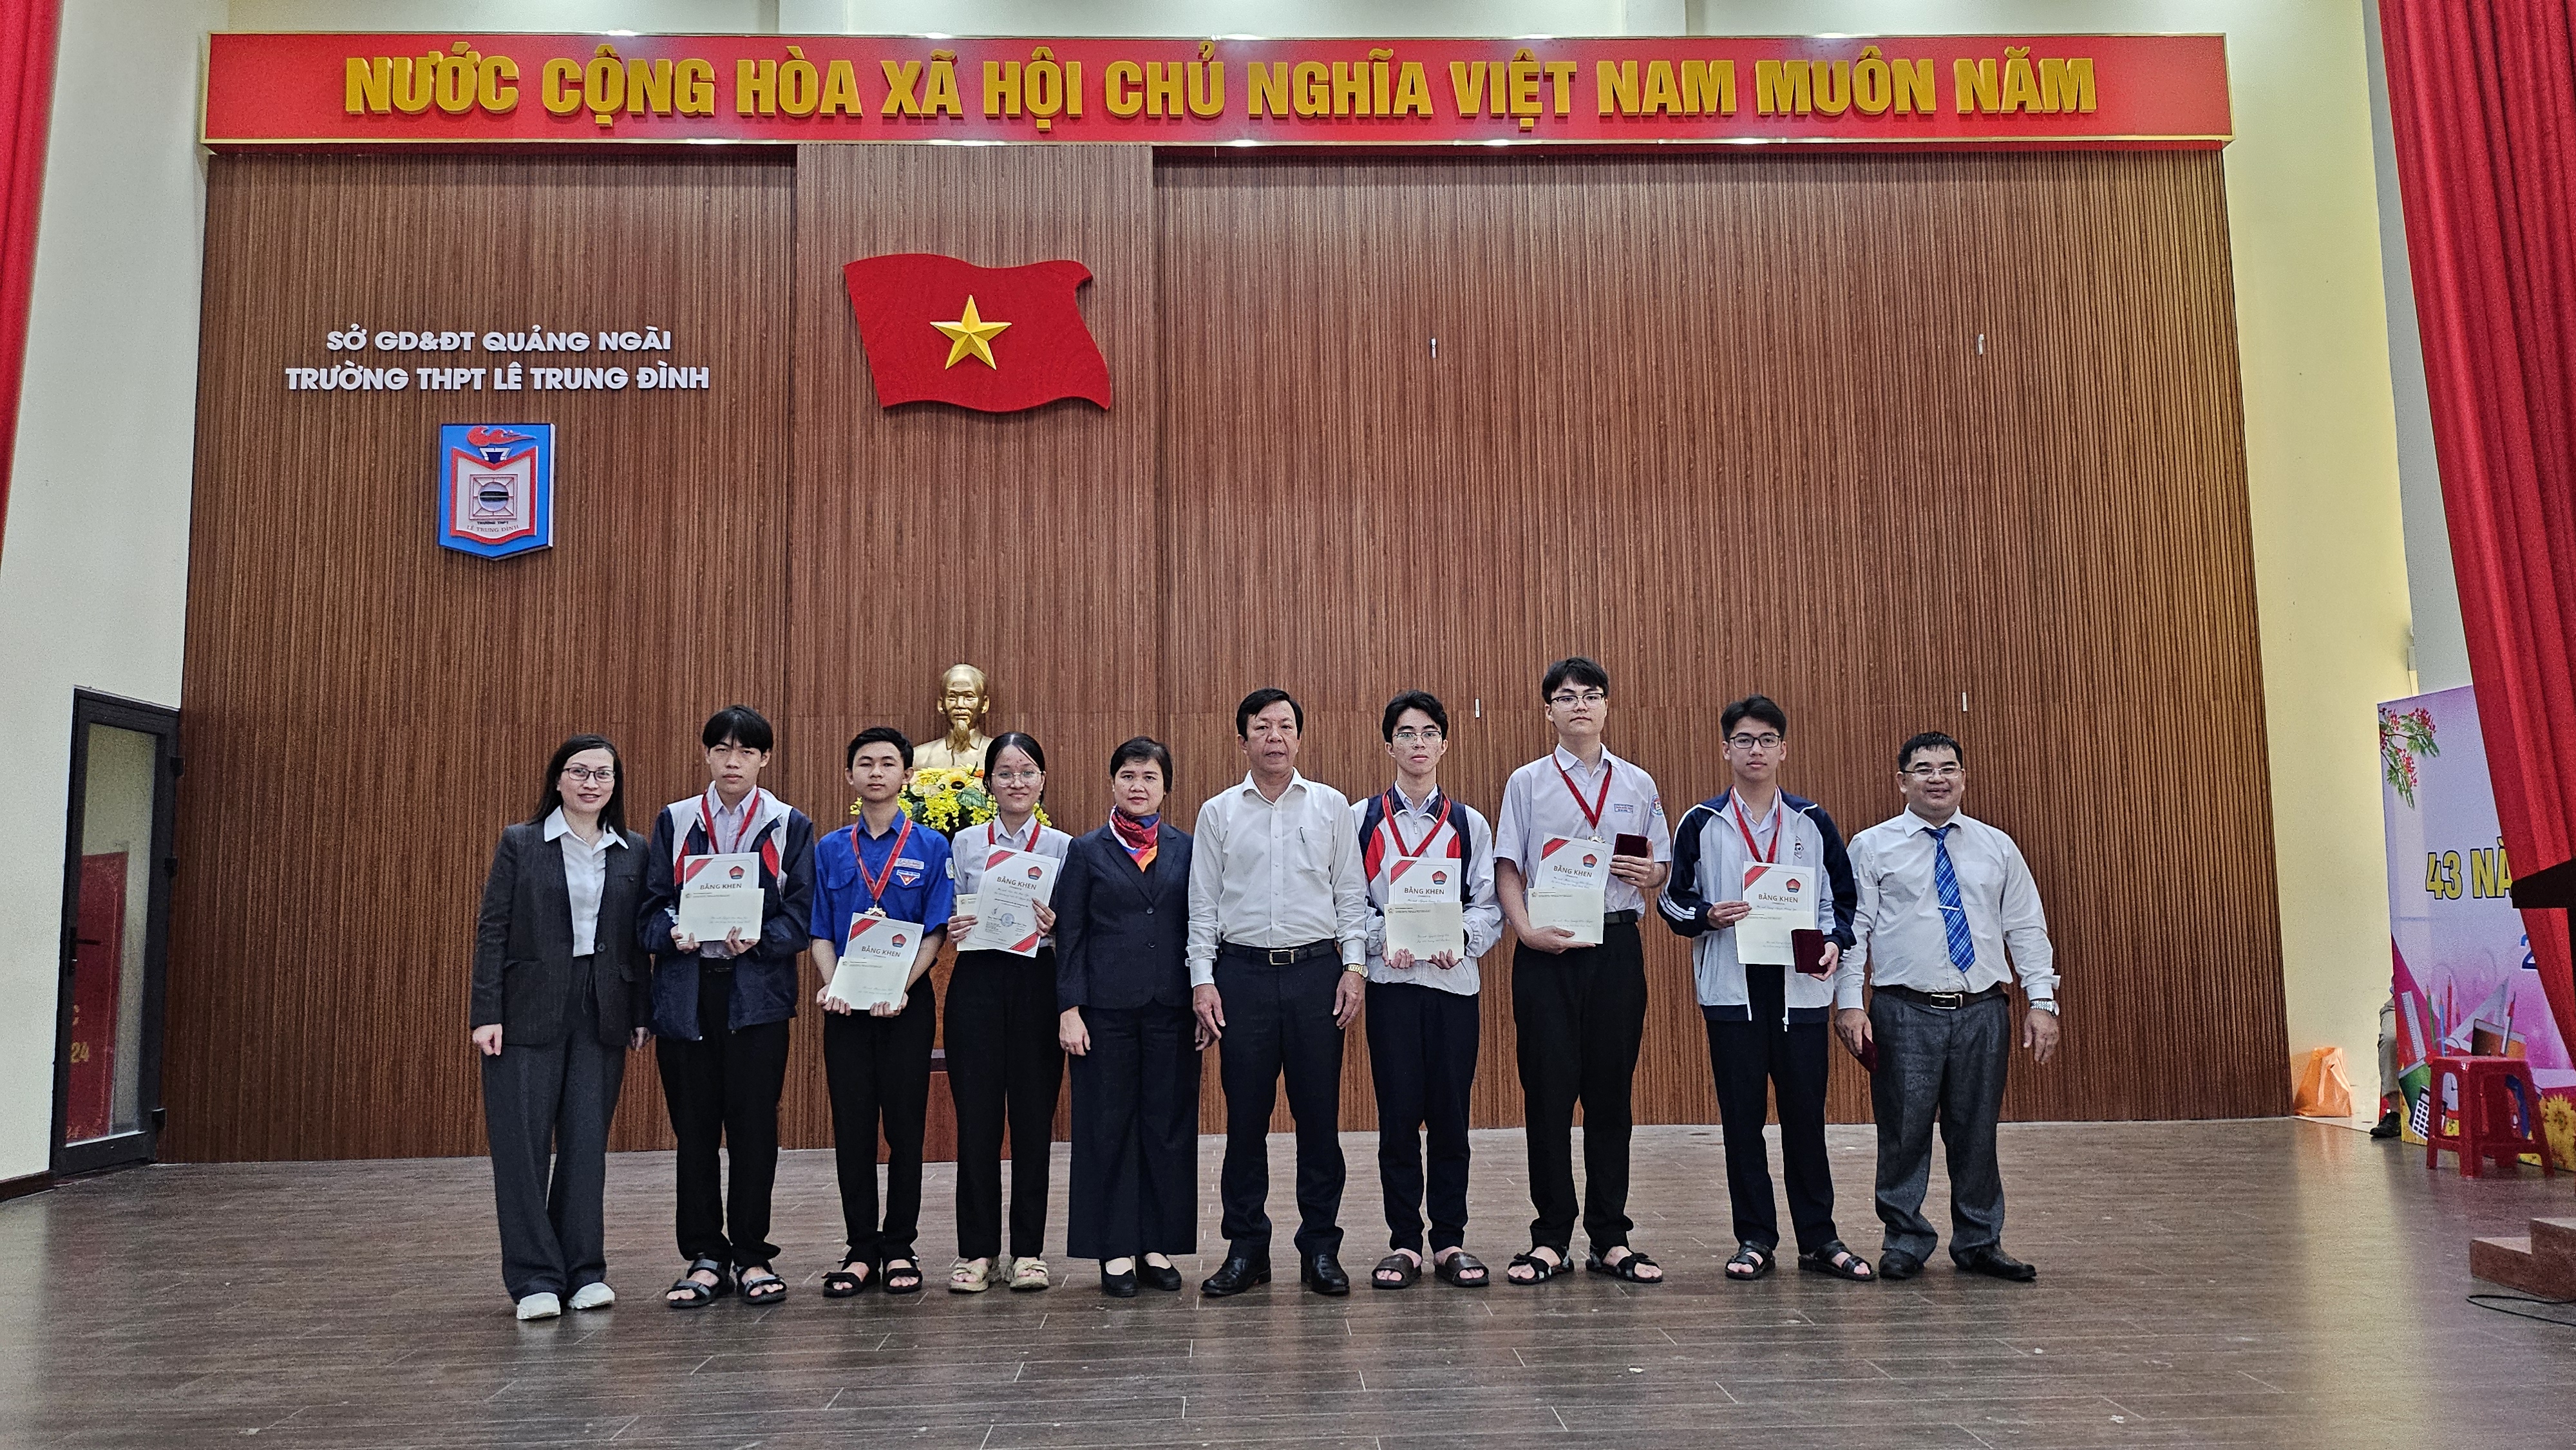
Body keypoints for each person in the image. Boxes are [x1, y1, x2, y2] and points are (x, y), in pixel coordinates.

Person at [1658, 695, 1871, 1284]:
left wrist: (1834, 942)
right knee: (1742, 1122)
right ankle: (1754, 1237)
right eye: (1745, 740)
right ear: (1726, 749)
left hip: (1801, 993)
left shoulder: (1812, 821)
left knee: (1806, 1120)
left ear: (1783, 750)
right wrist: (1707, 915)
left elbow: (1843, 902)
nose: (1756, 750)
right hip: (1733, 995)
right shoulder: (1701, 821)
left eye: (1767, 740)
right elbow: (1672, 901)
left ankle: (1820, 1238)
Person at [1837, 731, 2061, 1283]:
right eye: (1923, 769)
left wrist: (2042, 1001)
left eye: (1948, 768)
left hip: (1983, 1009)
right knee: (1903, 1131)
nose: (1937, 778)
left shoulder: (1997, 846)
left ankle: (1980, 1240)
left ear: (1963, 777)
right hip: (1903, 1010)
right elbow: (1853, 932)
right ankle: (1905, 1240)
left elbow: (2026, 928)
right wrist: (1849, 1003)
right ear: (1902, 781)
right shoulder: (1871, 847)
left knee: (1976, 1130)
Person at [1492, 656, 1672, 1286]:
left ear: (1605, 706)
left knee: (1610, 1095)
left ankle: (1611, 1236)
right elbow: (1508, 866)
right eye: (1566, 697)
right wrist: (1524, 931)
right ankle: (1549, 1237)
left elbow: (1660, 866)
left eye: (1591, 695)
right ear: (1549, 711)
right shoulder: (1527, 782)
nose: (1579, 706)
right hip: (1547, 951)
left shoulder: (1638, 783)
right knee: (1546, 1095)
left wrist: (1652, 873)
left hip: (1616, 949)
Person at [1188, 688, 1372, 1298]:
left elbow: (1350, 896)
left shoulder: (1331, 806)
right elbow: (1202, 906)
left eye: (1286, 726)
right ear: (1243, 739)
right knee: (1245, 1121)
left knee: (1318, 1119)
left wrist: (1354, 968)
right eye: (1262, 727)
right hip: (1240, 978)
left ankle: (1321, 1248)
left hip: (1316, 974)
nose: (1275, 736)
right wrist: (1202, 979)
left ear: (1299, 736)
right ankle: (1247, 1249)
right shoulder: (1218, 812)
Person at [638, 705, 815, 1310]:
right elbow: (649, 908)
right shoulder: (676, 820)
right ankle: (705, 1256)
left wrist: (761, 939)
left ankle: (753, 1254)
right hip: (688, 995)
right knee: (693, 1131)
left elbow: (802, 916)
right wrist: (672, 933)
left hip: (755, 998)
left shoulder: (789, 824)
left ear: (764, 759)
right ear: (707, 755)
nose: (732, 761)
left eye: (745, 751)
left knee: (754, 1129)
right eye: (721, 749)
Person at [471, 734, 651, 1321]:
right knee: (521, 1148)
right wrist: (486, 1013)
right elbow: (493, 930)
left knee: (585, 1145)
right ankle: (534, 1279)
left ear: (615, 785)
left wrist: (641, 1012)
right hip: (525, 1009)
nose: (591, 783)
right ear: (558, 779)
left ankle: (584, 1272)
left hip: (602, 1009)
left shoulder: (634, 849)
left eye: (603, 774)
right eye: (579, 772)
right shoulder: (522, 842)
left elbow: (636, 941)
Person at [1350, 691, 1501, 1290]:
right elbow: (1348, 903)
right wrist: (1380, 938)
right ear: (1389, 745)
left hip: (1452, 987)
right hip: (1391, 986)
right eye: (1406, 734)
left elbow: (1489, 904)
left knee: (1450, 1118)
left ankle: (1450, 1240)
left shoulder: (1469, 823)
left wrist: (1460, 938)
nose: (1418, 743)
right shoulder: (1362, 820)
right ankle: (1404, 1243)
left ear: (1444, 744)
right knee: (1397, 1118)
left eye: (1429, 733)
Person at [808, 726, 954, 1298]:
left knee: (906, 1128)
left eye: (887, 763)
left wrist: (898, 986)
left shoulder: (931, 847)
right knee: (852, 1130)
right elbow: (820, 931)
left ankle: (900, 1247)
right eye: (865, 763)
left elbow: (936, 932)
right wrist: (834, 985)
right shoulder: (829, 848)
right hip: (845, 1006)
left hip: (905, 1006)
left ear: (907, 776)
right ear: (849, 775)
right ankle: (860, 1249)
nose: (876, 772)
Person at [1057, 737, 1200, 1296]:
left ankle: (1156, 1245)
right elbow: (1070, 936)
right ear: (1113, 782)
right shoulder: (1086, 850)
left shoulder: (1188, 848)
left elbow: (1201, 926)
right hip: (1105, 1013)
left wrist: (1202, 997)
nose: (1138, 786)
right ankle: (1114, 1248)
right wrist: (1069, 1010)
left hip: (1172, 1010)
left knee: (1166, 1130)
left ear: (1166, 787)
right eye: (1128, 776)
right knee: (1107, 1128)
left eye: (1149, 777)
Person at [941, 731, 1071, 1293]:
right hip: (977, 981)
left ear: (1042, 780)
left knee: (1034, 1122)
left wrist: (1057, 926)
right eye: (1005, 773)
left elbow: (1077, 927)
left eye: (1027, 772)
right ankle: (976, 1252)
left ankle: (1028, 1252)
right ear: (988, 782)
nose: (1016, 782)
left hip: (1038, 982)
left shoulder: (1064, 847)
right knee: (977, 1122)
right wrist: (954, 924)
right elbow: (948, 912)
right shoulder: (965, 843)